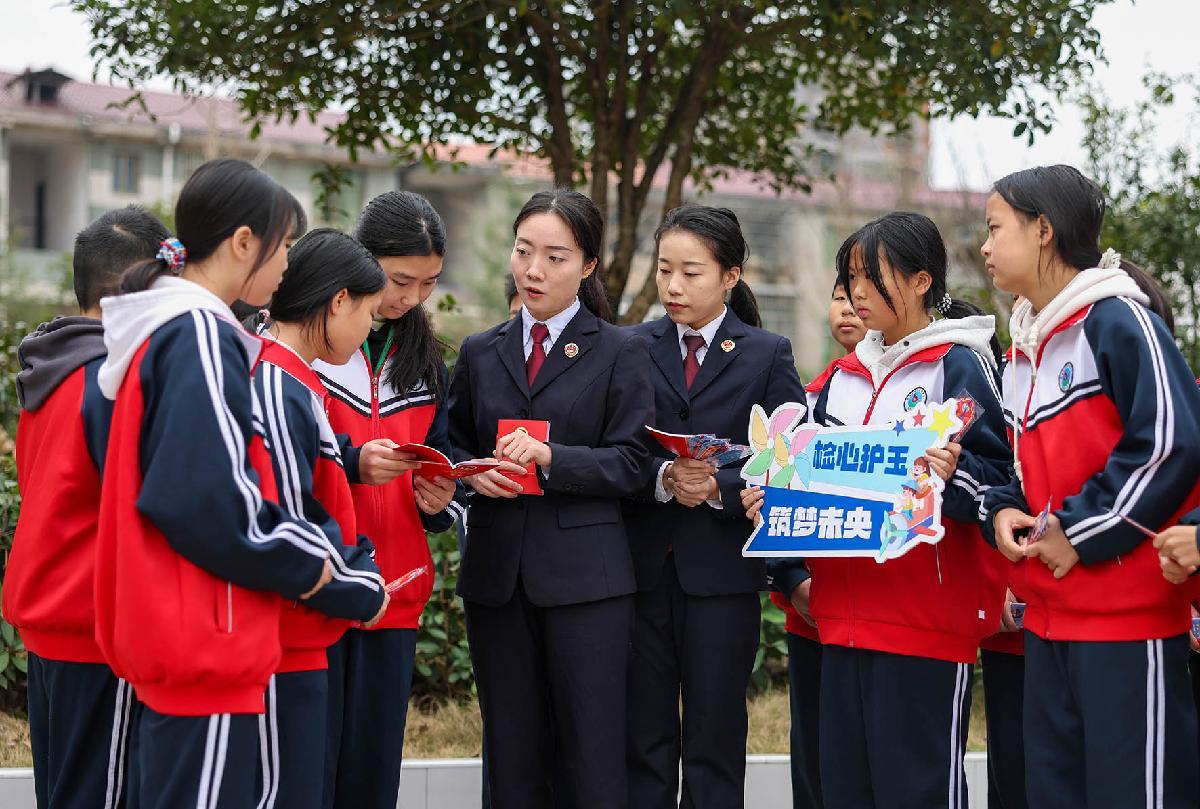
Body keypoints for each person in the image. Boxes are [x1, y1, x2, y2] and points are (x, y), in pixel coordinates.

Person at [92, 158, 343, 809]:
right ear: (243, 242)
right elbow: (209, 498)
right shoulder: (201, 332)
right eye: (283, 246)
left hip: (178, 641)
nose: (287, 264)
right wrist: (313, 563)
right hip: (203, 645)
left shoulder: (168, 327)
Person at [747, 211, 1012, 809]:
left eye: (873, 276)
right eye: (851, 277)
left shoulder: (959, 364)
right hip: (839, 621)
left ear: (922, 280)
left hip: (924, 624)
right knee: (845, 790)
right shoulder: (838, 380)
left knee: (917, 791)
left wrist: (953, 474)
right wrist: (772, 500)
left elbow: (1002, 480)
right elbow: (803, 476)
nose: (857, 292)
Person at [982, 164, 1200, 808]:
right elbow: (1016, 466)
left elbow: (1168, 441)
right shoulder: (1026, 344)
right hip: (1047, 626)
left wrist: (1076, 533)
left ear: (1043, 230)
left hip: (1126, 624)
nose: (985, 247)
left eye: (996, 228)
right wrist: (1005, 510)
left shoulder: (1117, 320)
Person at [448, 187, 654, 809]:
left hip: (587, 585)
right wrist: (471, 475)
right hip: (497, 579)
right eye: (523, 251)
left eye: (555, 257)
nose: (533, 270)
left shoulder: (623, 350)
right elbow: (451, 446)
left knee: (591, 754)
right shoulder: (480, 351)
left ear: (588, 265)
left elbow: (635, 464)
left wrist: (552, 458)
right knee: (510, 756)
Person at [622, 204, 805, 809]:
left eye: (691, 272)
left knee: (715, 734)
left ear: (730, 275)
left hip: (723, 574)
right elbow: (614, 450)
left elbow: (787, 457)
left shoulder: (766, 353)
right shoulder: (631, 346)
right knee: (642, 735)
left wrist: (720, 488)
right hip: (642, 570)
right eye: (664, 269)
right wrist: (662, 477)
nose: (673, 286)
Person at [3, 206, 168, 809]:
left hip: (51, 620)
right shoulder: (112, 381)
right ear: (138, 288)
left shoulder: (51, 366)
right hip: (98, 626)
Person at [313, 191, 466, 809]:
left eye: (428, 283)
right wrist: (353, 464)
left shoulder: (427, 364)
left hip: (395, 592)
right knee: (311, 774)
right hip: (316, 590)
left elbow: (443, 459)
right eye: (400, 280)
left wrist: (439, 499)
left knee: (372, 778)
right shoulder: (308, 349)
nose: (411, 298)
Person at [251, 228, 393, 808]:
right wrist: (363, 584)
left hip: (301, 630)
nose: (369, 330)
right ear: (338, 301)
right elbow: (290, 521)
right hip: (286, 637)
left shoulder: (294, 380)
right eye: (369, 313)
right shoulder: (279, 383)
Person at [769, 279, 866, 809]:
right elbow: (780, 489)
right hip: (810, 606)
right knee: (813, 753)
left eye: (861, 294)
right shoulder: (807, 394)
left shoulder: (917, 388)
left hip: (873, 607)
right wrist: (793, 579)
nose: (848, 308)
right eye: (839, 296)